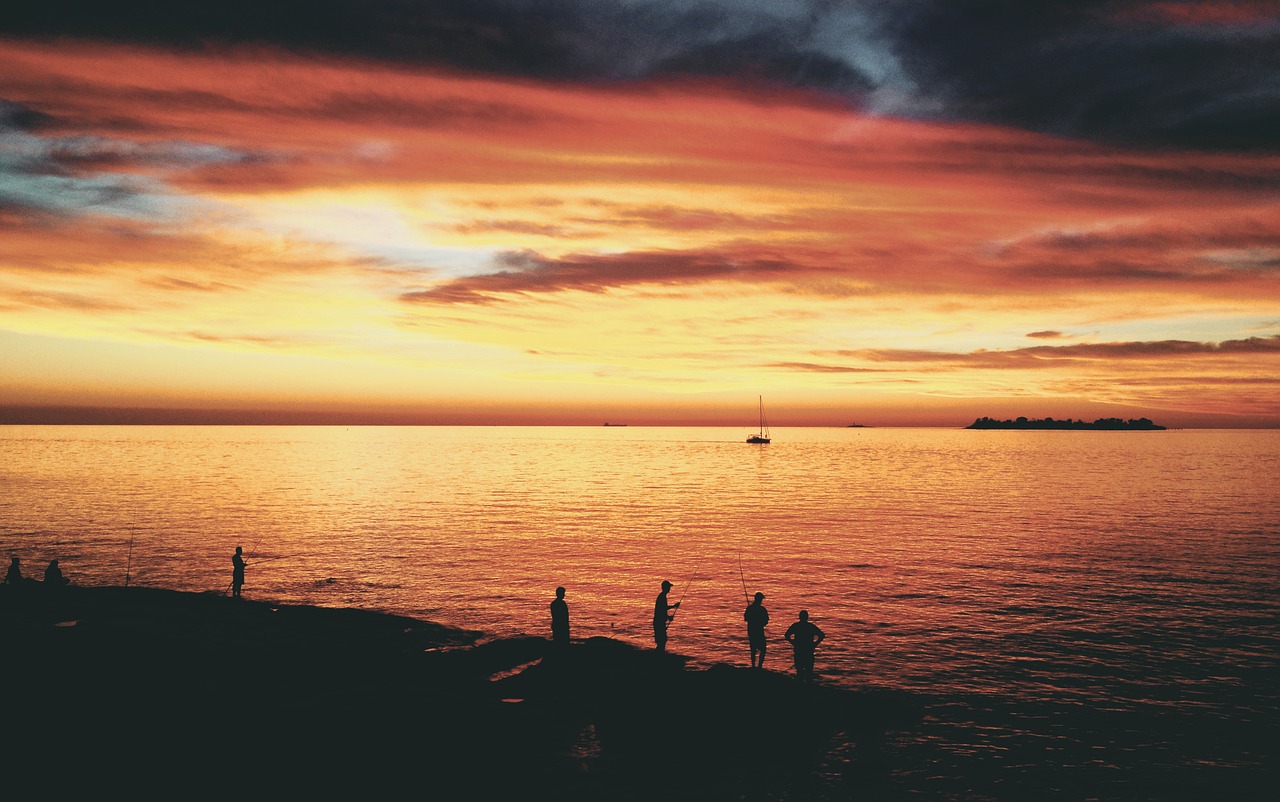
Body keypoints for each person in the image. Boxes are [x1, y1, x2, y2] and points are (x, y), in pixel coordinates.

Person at [784, 610, 825, 682]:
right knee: (809, 671)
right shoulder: (811, 626)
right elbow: (821, 635)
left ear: (799, 617)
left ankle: (801, 686)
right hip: (808, 651)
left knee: (799, 671)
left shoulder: (796, 626)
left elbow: (787, 635)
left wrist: (793, 642)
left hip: (798, 650)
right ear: (807, 617)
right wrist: (815, 644)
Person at [744, 591, 770, 668]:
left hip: (751, 631)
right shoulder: (762, 609)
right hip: (759, 632)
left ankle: (753, 666)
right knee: (763, 649)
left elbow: (746, 618)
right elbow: (766, 621)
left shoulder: (750, 608)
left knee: (753, 649)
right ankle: (759, 666)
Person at [653, 580, 680, 652]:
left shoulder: (662, 596)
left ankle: (658, 656)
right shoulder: (662, 597)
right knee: (662, 641)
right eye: (668, 587)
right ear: (665, 588)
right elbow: (663, 609)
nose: (669, 589)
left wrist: (668, 617)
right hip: (659, 622)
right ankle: (658, 657)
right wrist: (674, 607)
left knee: (662, 641)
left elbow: (662, 609)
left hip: (659, 622)